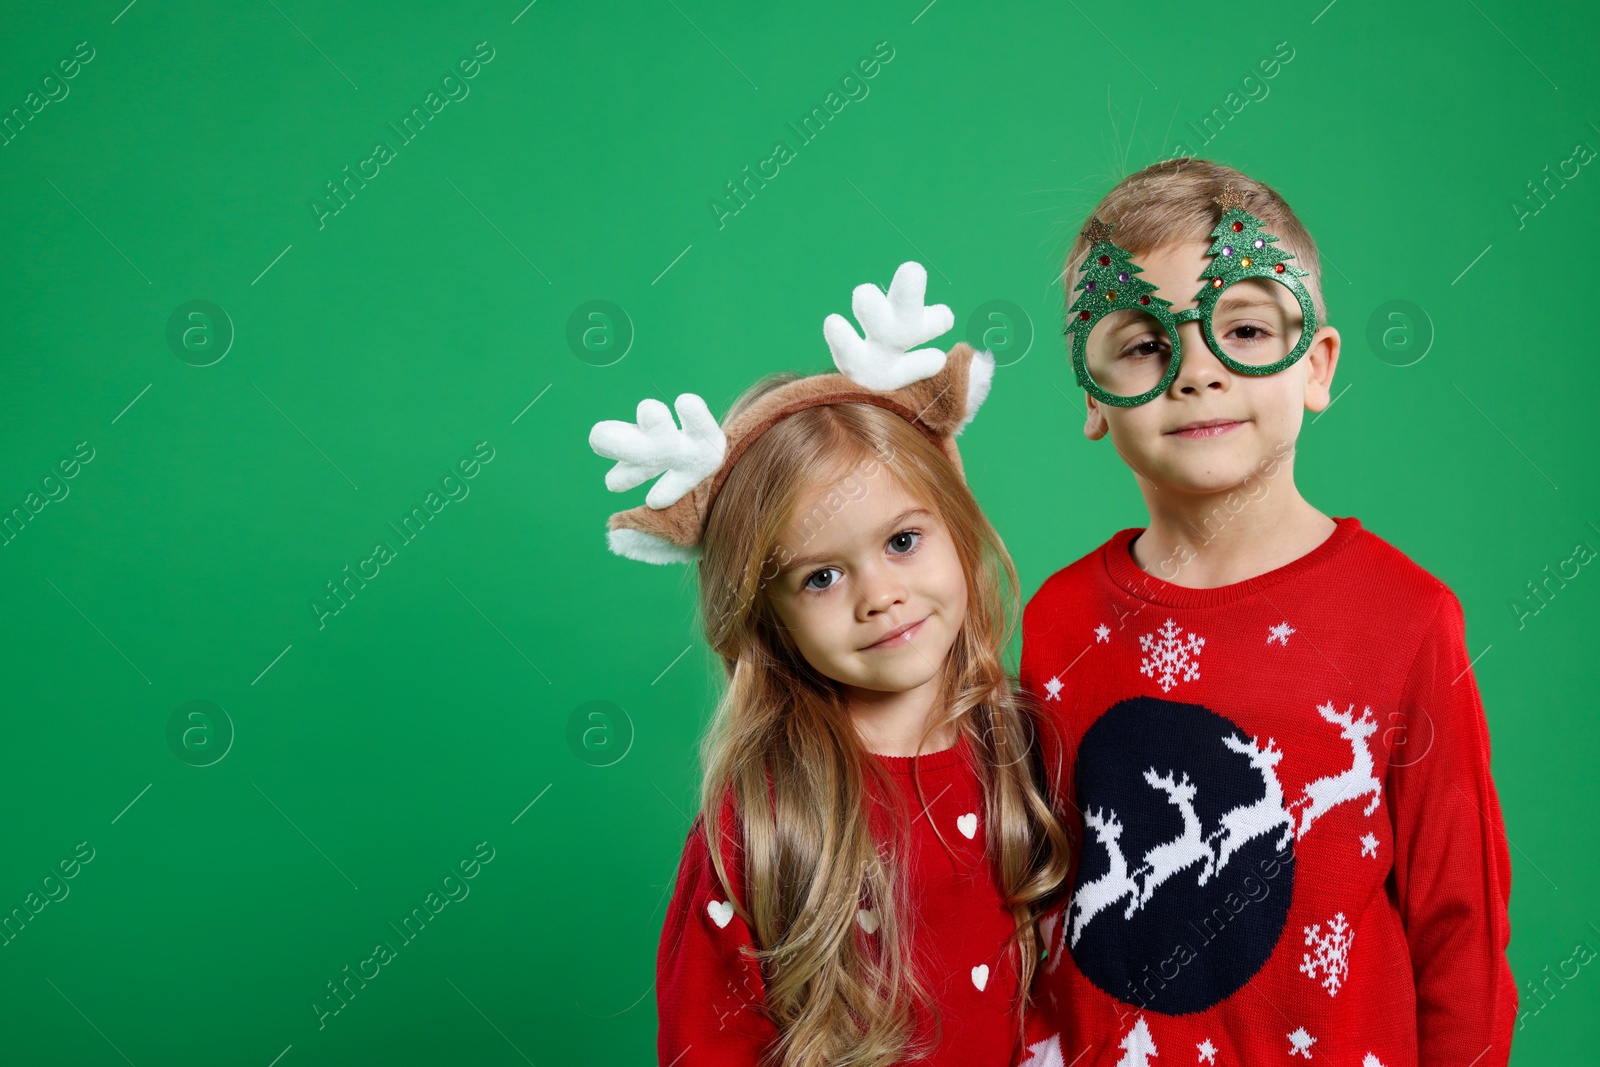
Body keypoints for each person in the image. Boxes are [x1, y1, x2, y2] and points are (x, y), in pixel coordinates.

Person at [1015, 159, 1516, 1067]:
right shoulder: (1055, 620)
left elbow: (1462, 930)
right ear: (1093, 395)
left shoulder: (1406, 619)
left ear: (1317, 366)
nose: (1197, 372)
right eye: (1142, 345)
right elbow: (1026, 897)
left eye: (1242, 329)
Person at [587, 263, 1071, 1066]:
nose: (880, 595)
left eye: (903, 540)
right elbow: (709, 1042)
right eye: (821, 576)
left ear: (958, 524)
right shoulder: (766, 817)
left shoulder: (1028, 742)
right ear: (766, 615)